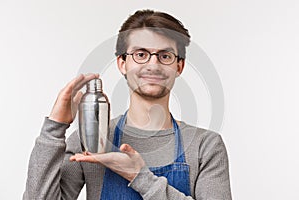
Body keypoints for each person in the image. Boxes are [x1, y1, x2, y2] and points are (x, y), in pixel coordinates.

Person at [23, 9, 232, 200]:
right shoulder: (90, 140)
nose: (153, 64)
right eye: (141, 54)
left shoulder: (205, 146)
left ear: (179, 66)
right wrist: (54, 127)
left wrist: (140, 177)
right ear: (122, 63)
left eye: (165, 56)